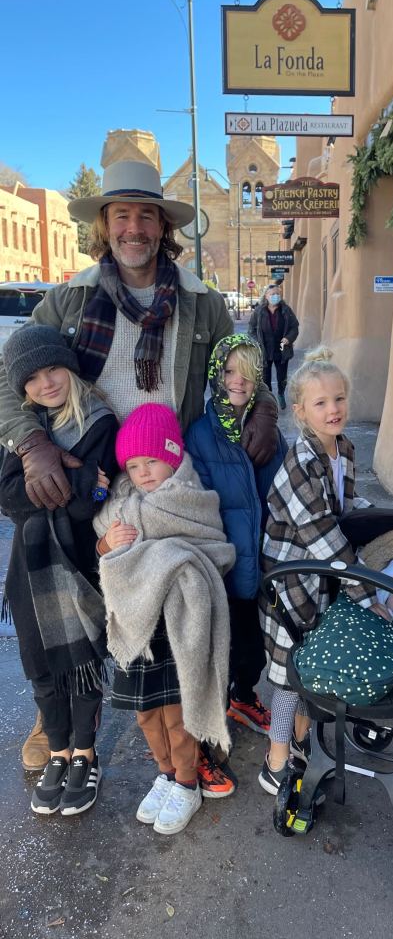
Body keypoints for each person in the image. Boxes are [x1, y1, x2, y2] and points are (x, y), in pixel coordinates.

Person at [0, 159, 277, 783]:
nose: (133, 227)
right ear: (105, 225)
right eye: (121, 215)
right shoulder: (69, 298)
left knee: (178, 592)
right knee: (74, 593)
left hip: (170, 469)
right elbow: (8, 368)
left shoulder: (200, 302)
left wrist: (263, 403)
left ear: (162, 227)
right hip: (88, 464)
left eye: (145, 215)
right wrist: (29, 443)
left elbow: (242, 361)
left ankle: (191, 730)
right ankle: (67, 716)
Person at [258, 346, 393, 794]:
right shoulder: (300, 465)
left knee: (314, 665)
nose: (334, 410)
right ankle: (276, 758)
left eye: (340, 399)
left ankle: (303, 739)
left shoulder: (342, 449)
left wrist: (381, 521)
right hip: (292, 582)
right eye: (321, 403)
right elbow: (327, 542)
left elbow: (344, 509)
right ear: (300, 412)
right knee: (291, 675)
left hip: (322, 574)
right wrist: (371, 597)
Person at [93, 404, 235, 835]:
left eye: (152, 460)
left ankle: (188, 783)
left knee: (178, 712)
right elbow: (108, 553)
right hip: (137, 625)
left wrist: (162, 553)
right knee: (144, 714)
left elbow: (212, 546)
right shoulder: (121, 502)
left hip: (176, 624)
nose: (143, 472)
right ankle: (166, 773)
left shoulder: (190, 497)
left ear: (172, 455)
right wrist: (105, 543)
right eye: (133, 466)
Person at [0, 325, 118, 816]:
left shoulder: (98, 421)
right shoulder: (21, 432)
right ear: (20, 387)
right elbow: (7, 497)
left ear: (68, 367)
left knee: (84, 665)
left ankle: (85, 755)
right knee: (42, 668)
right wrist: (78, 479)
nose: (46, 383)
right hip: (29, 571)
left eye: (53, 370)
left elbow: (83, 508)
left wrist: (73, 488)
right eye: (33, 378)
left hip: (80, 564)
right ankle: (58, 751)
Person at [185, 334, 287, 736]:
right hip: (225, 561)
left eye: (248, 373)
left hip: (264, 556)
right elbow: (201, 501)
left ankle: (244, 696)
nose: (238, 382)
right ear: (216, 373)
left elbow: (282, 489)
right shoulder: (202, 433)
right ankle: (212, 726)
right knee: (223, 648)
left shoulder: (266, 430)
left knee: (256, 645)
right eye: (229, 371)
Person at [248, 281, 299, 410]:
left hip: (281, 348)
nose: (275, 296)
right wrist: (257, 341)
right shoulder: (259, 311)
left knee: (282, 376)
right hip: (264, 349)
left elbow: (294, 327)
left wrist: (289, 338)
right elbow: (251, 329)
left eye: (277, 293)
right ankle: (269, 399)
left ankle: (281, 394)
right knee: (265, 378)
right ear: (266, 296)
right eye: (272, 294)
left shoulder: (286, 310)